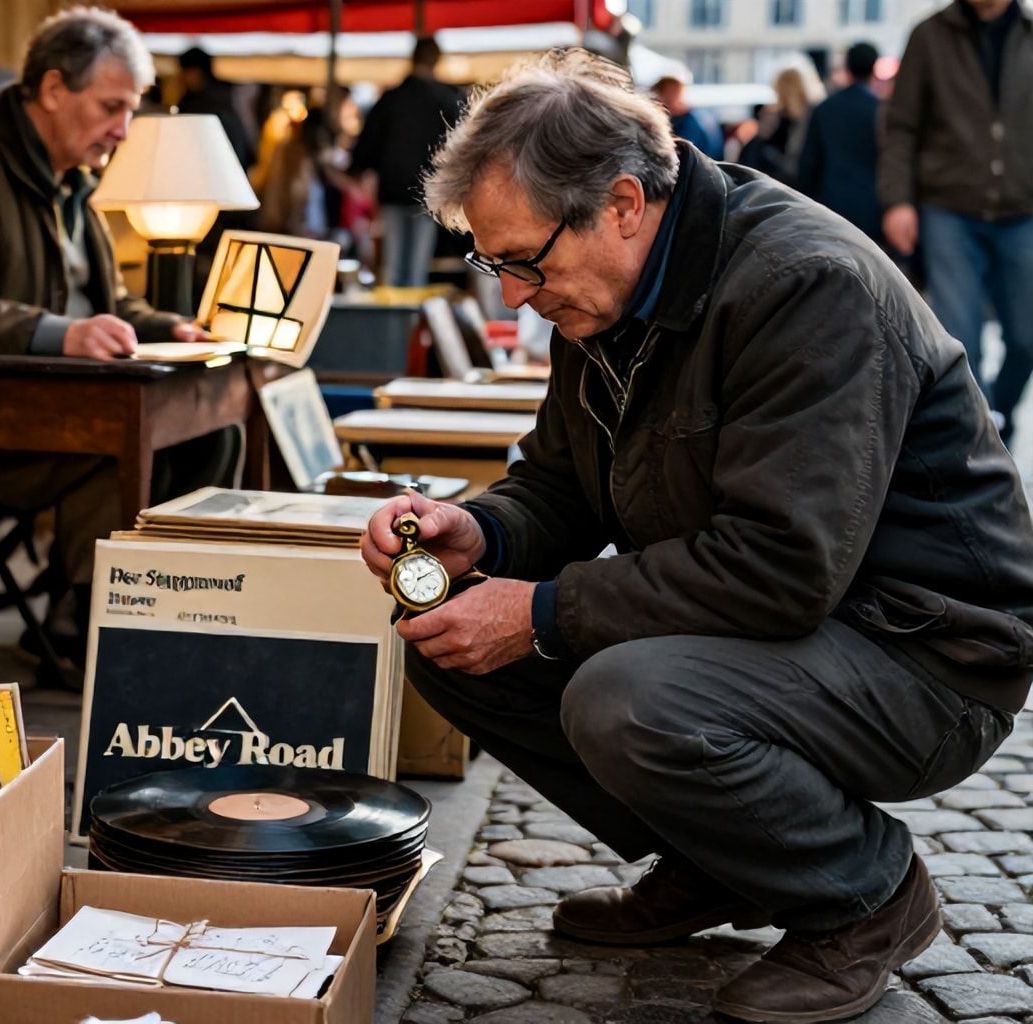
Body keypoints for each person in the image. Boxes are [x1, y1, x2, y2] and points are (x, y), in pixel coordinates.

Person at [362, 49, 1033, 1023]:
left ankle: (866, 896)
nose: (511, 295)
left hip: (929, 656)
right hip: (797, 625)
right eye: (490, 262)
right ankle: (723, 863)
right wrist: (483, 536)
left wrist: (543, 610)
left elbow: (779, 567)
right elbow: (557, 485)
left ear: (624, 202)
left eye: (521, 261)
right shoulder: (601, 292)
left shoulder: (807, 286)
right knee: (454, 647)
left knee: (628, 698)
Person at [0, 7, 239, 660]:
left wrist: (166, 326)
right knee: (119, 443)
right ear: (55, 89)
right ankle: (92, 626)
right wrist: (59, 334)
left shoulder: (70, 182)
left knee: (210, 430)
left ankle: (168, 613)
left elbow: (106, 302)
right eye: (112, 107)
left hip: (49, 405)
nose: (123, 130)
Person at [880, 0, 1033, 441]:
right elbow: (901, 126)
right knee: (959, 339)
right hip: (948, 209)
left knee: (1026, 337)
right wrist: (898, 201)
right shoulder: (929, 35)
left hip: (1022, 210)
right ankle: (982, 438)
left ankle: (998, 414)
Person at [350, 36, 468, 286]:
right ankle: (410, 321)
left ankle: (395, 322)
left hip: (392, 190)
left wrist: (361, 170)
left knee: (392, 266)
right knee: (416, 267)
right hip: (427, 192)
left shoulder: (392, 99)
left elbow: (365, 148)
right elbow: (461, 149)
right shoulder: (446, 100)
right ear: (436, 60)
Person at [799, 43, 884, 244]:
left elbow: (808, 164)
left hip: (831, 208)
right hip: (873, 211)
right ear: (874, 67)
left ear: (847, 67)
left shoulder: (824, 110)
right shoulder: (882, 112)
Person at [737, 63, 823, 190]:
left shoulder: (780, 121)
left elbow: (747, 164)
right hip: (803, 195)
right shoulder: (816, 117)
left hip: (782, 192)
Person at [174, 47, 256, 170]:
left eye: (184, 72)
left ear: (196, 72)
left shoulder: (208, 103)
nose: (181, 78)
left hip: (214, 170)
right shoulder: (222, 97)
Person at [651, 76, 719, 156]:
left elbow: (677, 153)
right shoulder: (698, 114)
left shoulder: (691, 125)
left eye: (658, 98)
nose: (657, 102)